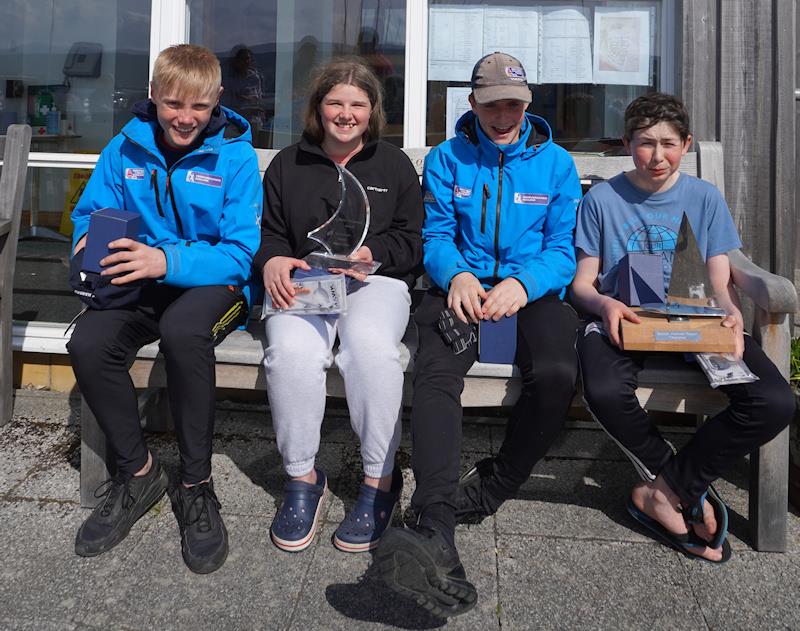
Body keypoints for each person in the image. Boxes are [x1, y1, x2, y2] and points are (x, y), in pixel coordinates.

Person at [376, 52, 582, 617]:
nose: (502, 114)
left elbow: (563, 249)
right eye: (491, 104)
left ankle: (493, 487)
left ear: (527, 104)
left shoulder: (556, 164)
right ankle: (435, 522)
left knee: (559, 373)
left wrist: (526, 282)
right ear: (472, 104)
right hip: (461, 290)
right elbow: (435, 234)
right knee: (437, 375)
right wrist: (457, 274)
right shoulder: (447, 159)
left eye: (513, 103)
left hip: (529, 292)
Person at [570, 92, 795, 563]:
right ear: (627, 144)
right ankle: (683, 490)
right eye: (645, 143)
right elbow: (582, 284)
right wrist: (606, 306)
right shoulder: (603, 199)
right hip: (625, 317)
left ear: (686, 144)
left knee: (775, 401)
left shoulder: (703, 197)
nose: (657, 156)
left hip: (692, 318)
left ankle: (665, 491)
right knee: (605, 390)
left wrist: (730, 316)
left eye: (669, 144)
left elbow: (717, 276)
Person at [67, 44, 262, 574]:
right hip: (141, 279)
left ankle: (196, 484)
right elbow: (89, 215)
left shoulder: (236, 157)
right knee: (87, 342)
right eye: (173, 103)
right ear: (153, 96)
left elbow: (239, 253)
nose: (185, 117)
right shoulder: (123, 148)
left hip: (218, 288)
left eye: (199, 107)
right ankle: (139, 471)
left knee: (182, 332)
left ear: (217, 100)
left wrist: (164, 260)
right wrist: (86, 243)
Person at [254, 58, 423, 553]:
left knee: (371, 351)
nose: (346, 114)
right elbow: (268, 235)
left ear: (372, 112)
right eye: (335, 103)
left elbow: (413, 241)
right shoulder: (289, 163)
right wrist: (271, 262)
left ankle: (379, 482)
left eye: (357, 104)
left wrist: (376, 255)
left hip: (376, 284)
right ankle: (303, 479)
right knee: (290, 355)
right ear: (318, 108)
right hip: (307, 283)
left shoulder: (393, 165)